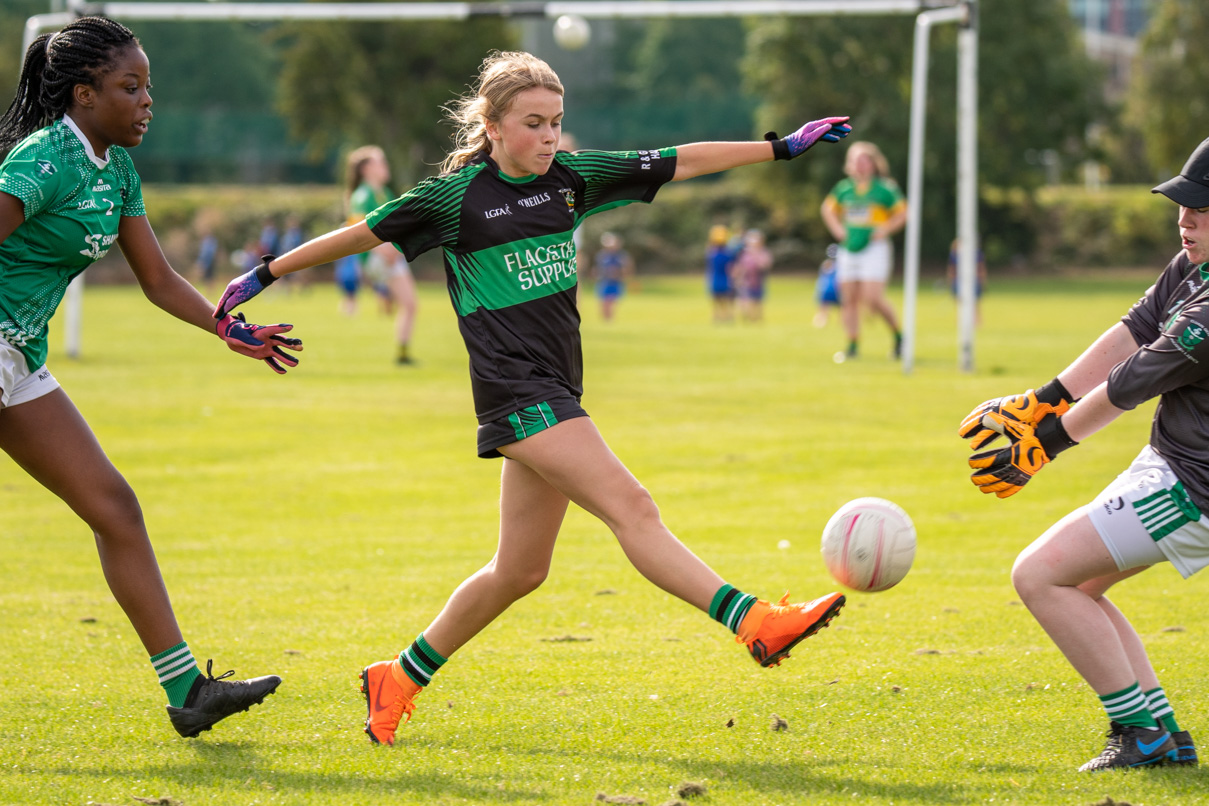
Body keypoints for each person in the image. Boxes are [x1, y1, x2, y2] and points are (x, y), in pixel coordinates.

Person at [214, 50, 852, 748]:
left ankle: (396, 677)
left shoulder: (572, 180)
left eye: (556, 123)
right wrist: (263, 274)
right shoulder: (454, 199)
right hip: (516, 392)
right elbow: (361, 234)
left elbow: (678, 160)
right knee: (632, 507)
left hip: (555, 388)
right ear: (491, 126)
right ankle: (754, 622)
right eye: (533, 124)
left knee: (519, 570)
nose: (549, 137)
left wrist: (778, 148)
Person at [0, 17, 300, 738]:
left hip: (18, 360)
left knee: (115, 508)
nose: (145, 101)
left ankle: (188, 691)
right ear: (84, 93)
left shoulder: (117, 168)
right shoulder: (45, 160)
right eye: (129, 87)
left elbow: (159, 280)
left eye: (148, 87)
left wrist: (229, 329)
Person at [957, 137, 1209, 771]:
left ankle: (1138, 734)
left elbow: (1130, 382)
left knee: (1038, 575)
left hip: (1192, 494)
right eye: (1184, 205)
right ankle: (1163, 734)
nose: (1186, 219)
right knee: (1083, 583)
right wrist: (1041, 400)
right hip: (1173, 466)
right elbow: (1136, 327)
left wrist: (1044, 444)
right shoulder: (1194, 266)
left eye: (1203, 209)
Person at [820, 141, 908, 359]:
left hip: (874, 248)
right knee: (848, 298)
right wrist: (838, 230)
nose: (859, 165)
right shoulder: (844, 189)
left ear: (873, 163)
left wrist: (885, 229)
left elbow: (903, 213)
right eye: (855, 160)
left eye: (864, 160)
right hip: (849, 248)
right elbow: (827, 209)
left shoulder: (885, 189)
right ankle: (852, 345)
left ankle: (899, 337)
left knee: (872, 298)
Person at [346, 145, 419, 364]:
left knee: (408, 305)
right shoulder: (362, 196)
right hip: (379, 259)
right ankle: (403, 354)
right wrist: (385, 250)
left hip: (387, 257)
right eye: (381, 162)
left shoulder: (384, 193)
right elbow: (355, 231)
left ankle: (384, 293)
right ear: (367, 169)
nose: (386, 167)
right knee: (411, 305)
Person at [732, 228, 772, 322]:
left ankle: (757, 319)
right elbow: (740, 266)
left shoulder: (763, 253)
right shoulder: (744, 254)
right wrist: (736, 276)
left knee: (757, 301)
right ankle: (749, 318)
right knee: (746, 301)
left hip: (758, 281)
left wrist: (756, 256)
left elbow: (765, 265)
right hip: (746, 282)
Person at [592, 231, 633, 321]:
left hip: (616, 281)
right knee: (604, 301)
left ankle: (609, 318)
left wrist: (623, 275)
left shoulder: (621, 255)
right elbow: (598, 268)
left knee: (612, 301)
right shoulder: (602, 255)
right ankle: (606, 319)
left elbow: (626, 267)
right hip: (604, 281)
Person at [947, 237, 986, 325]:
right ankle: (961, 320)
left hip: (974, 280)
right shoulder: (954, 254)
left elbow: (981, 268)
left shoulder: (976, 253)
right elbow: (951, 269)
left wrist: (982, 280)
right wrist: (951, 280)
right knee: (959, 301)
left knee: (975, 302)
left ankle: (977, 321)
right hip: (958, 280)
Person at [705, 224, 737, 323]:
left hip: (718, 278)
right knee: (724, 299)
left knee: (718, 299)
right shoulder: (727, 252)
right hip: (723, 278)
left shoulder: (712, 252)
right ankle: (726, 316)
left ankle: (719, 317)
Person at [813, 243, 840, 328]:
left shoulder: (826, 264)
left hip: (826, 289)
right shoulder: (841, 264)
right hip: (837, 289)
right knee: (843, 307)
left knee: (824, 308)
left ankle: (821, 321)